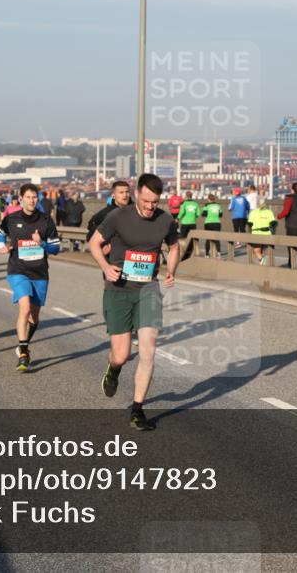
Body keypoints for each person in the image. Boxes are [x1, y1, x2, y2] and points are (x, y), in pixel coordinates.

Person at [89, 173, 179, 431]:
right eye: (147, 201)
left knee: (148, 349)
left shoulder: (165, 220)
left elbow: (174, 246)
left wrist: (171, 269)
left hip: (148, 289)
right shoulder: (118, 216)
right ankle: (114, 369)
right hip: (118, 289)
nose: (151, 206)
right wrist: (105, 267)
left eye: (155, 202)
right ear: (138, 193)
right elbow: (94, 243)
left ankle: (137, 409)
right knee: (122, 355)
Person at [0, 183, 61, 372]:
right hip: (18, 270)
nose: (32, 200)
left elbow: (56, 248)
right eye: (28, 197)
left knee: (34, 316)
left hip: (40, 273)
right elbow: (0, 233)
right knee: (24, 307)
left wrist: (41, 244)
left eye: (35, 197)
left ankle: (22, 345)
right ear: (21, 198)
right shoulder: (11, 219)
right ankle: (24, 353)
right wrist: (1, 245)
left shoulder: (46, 221)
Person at [247, 196, 278, 265]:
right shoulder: (269, 212)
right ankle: (262, 263)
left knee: (256, 250)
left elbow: (249, 223)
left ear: (257, 204)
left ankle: (261, 259)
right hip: (266, 233)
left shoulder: (253, 212)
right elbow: (273, 222)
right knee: (262, 250)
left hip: (256, 233)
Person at [178, 191, 201, 260]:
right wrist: (193, 217)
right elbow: (198, 214)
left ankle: (183, 253)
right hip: (192, 223)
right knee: (192, 238)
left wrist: (178, 218)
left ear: (186, 196)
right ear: (191, 196)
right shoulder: (195, 204)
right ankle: (190, 252)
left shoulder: (184, 204)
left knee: (183, 238)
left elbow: (182, 212)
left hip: (184, 223)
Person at [202, 193, 224, 258]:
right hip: (217, 222)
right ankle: (219, 254)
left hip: (208, 223)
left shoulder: (206, 205)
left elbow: (204, 214)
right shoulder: (218, 205)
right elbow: (221, 215)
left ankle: (207, 254)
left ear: (208, 199)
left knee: (208, 239)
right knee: (217, 238)